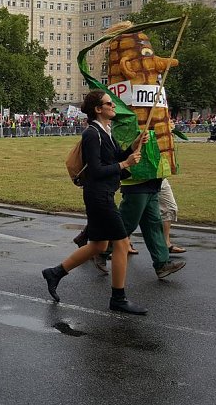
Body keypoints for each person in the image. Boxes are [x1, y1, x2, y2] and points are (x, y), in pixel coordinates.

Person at [41, 90, 148, 314]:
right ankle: (118, 298)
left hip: (103, 194)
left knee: (99, 245)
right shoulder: (92, 134)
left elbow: (116, 157)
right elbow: (96, 170)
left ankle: (55, 273)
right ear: (98, 109)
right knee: (121, 243)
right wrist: (125, 164)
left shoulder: (106, 131)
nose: (114, 106)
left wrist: (134, 145)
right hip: (98, 196)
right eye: (109, 103)